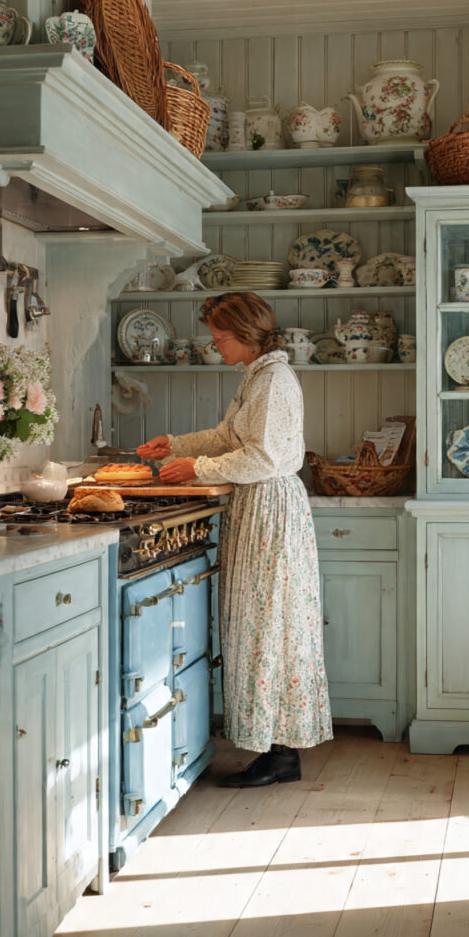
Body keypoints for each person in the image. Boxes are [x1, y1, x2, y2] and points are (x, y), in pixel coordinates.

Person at [137, 291, 332, 787]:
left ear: (246, 336)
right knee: (260, 625)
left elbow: (264, 457)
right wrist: (176, 445)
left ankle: (281, 753)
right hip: (259, 508)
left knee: (268, 625)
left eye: (220, 338)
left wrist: (196, 467)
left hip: (270, 507)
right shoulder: (258, 377)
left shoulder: (274, 381)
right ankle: (273, 748)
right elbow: (231, 437)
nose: (215, 346)